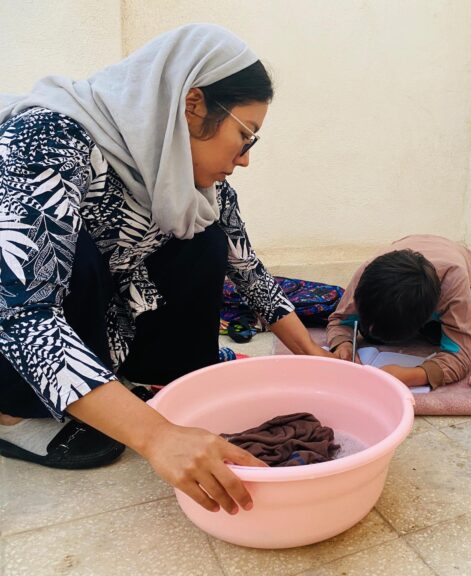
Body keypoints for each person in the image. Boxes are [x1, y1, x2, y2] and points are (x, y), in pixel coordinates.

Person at [0, 24, 331, 515]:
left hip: (89, 313)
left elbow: (249, 270)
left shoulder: (193, 185)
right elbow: (22, 312)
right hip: (14, 321)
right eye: (244, 137)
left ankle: (147, 378)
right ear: (192, 105)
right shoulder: (49, 136)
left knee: (206, 237)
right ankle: (12, 415)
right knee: (72, 256)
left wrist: (311, 356)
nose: (243, 160)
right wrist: (156, 437)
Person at [326, 234, 471, 389]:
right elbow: (340, 320)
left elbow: (459, 355)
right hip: (417, 259)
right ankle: (435, 328)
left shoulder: (453, 279)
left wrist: (413, 375)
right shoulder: (368, 276)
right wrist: (343, 345)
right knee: (374, 334)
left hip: (461, 272)